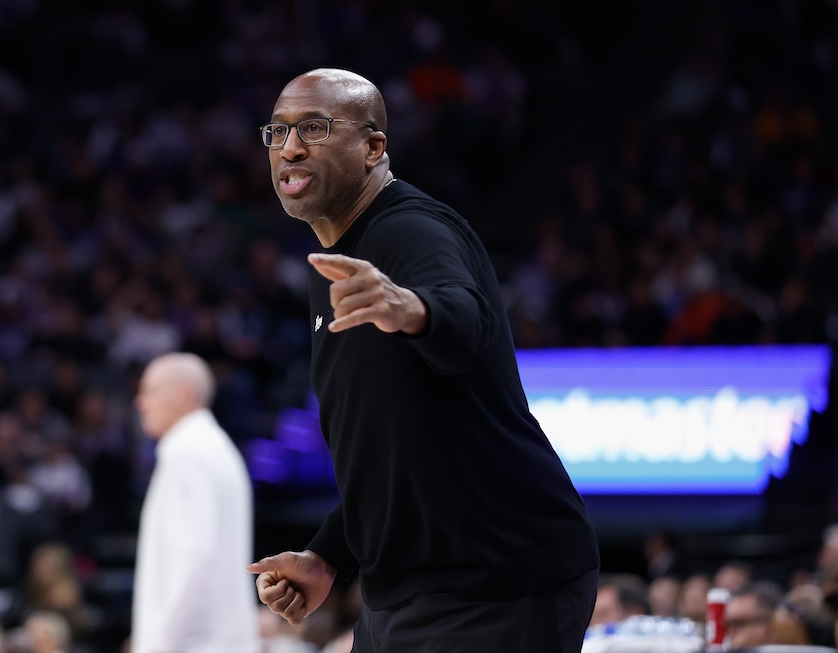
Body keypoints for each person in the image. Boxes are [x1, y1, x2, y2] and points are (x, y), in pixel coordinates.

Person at [246, 68, 600, 652]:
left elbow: (465, 324)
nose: (290, 147)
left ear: (373, 147)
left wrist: (410, 309)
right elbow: (388, 447)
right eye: (278, 132)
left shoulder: (411, 229)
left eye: (313, 127)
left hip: (496, 583)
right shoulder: (335, 260)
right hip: (405, 592)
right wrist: (329, 554)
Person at [131, 353, 260, 653]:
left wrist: (159, 644)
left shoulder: (187, 453)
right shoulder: (214, 447)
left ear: (184, 394)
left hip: (194, 643)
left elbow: (192, 557)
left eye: (149, 391)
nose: (141, 402)